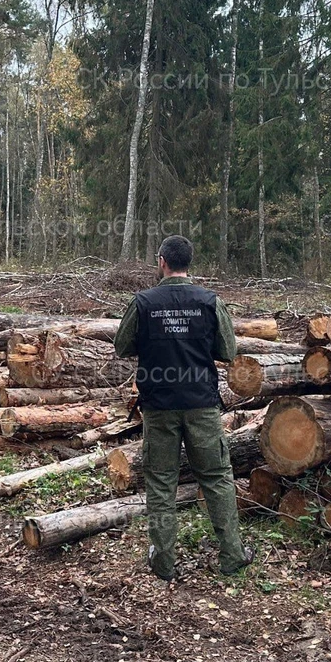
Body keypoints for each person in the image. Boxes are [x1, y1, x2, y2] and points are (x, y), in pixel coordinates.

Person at [114, 235, 253, 581]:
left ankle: (163, 562)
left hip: (159, 406)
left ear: (161, 261)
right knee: (218, 479)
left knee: (161, 483)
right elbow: (228, 350)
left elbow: (121, 346)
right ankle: (233, 556)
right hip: (200, 404)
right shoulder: (209, 301)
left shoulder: (143, 302)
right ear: (189, 263)